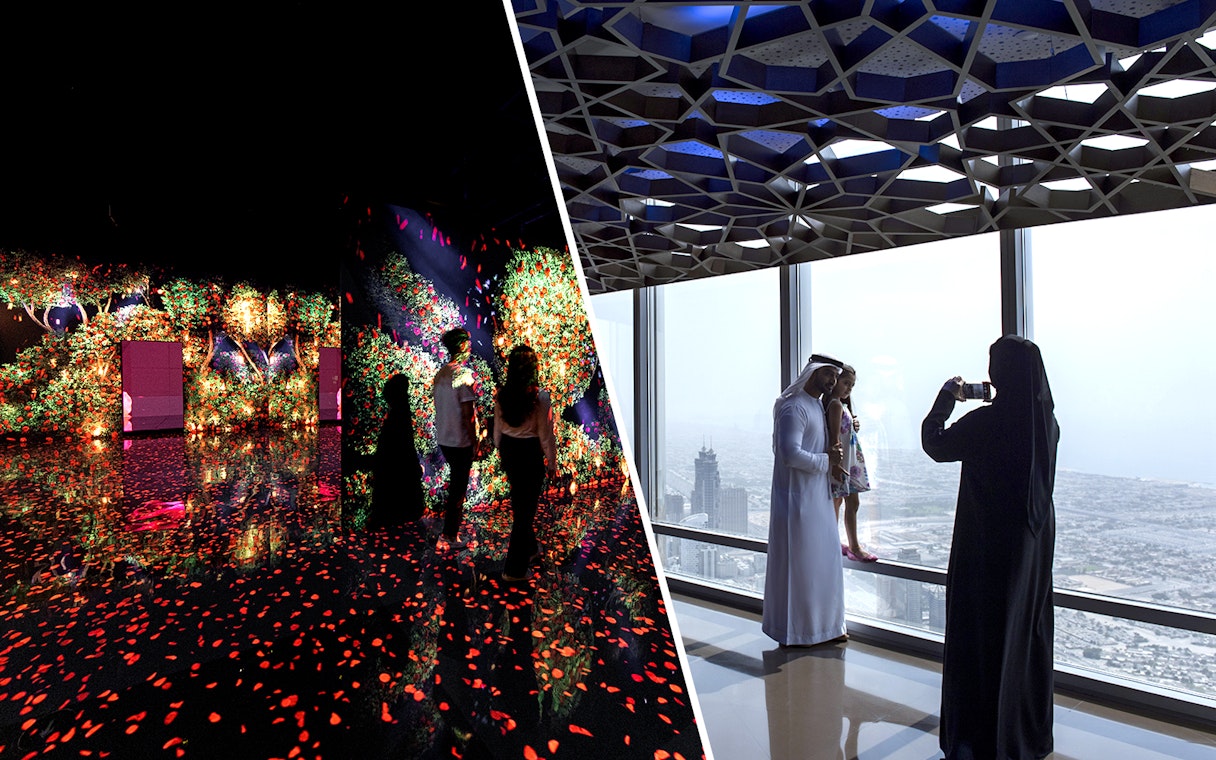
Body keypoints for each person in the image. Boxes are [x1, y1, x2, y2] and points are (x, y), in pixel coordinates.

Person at [921, 335, 1058, 760]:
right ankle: (1024, 735)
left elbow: (935, 442)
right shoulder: (1046, 424)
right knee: (1024, 634)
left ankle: (978, 740)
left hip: (986, 545)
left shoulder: (987, 422)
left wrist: (947, 397)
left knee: (981, 636)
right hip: (1032, 546)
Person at [762, 353, 849, 647]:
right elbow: (789, 454)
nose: (832, 381)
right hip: (797, 504)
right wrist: (826, 462)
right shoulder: (794, 407)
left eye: (835, 377)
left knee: (821, 564)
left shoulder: (815, 405)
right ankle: (797, 633)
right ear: (812, 373)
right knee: (800, 570)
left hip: (817, 499)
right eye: (828, 374)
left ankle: (824, 629)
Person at [493, 344, 557, 583]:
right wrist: (551, 464)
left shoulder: (502, 394)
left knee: (520, 505)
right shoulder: (540, 398)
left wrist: (503, 451)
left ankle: (530, 549)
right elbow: (545, 435)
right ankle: (514, 570)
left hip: (510, 450)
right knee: (525, 513)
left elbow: (497, 434)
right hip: (529, 454)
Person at [432, 327, 483, 550]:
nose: (470, 347)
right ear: (462, 346)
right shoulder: (464, 375)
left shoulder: (441, 374)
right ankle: (450, 535)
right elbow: (468, 415)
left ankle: (449, 532)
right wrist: (475, 442)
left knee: (456, 487)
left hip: (444, 438)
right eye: (468, 343)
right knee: (458, 489)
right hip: (460, 440)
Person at [825, 364, 877, 562]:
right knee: (847, 503)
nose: (849, 388)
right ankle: (852, 546)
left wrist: (853, 421)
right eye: (846, 383)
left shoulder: (839, 404)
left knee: (842, 502)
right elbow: (835, 437)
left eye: (852, 386)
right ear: (836, 381)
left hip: (847, 460)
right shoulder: (835, 405)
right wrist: (837, 465)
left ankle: (837, 542)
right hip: (844, 462)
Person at [370, 373, 426, 527]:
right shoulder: (402, 410)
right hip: (401, 462)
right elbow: (406, 441)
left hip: (391, 463)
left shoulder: (395, 410)